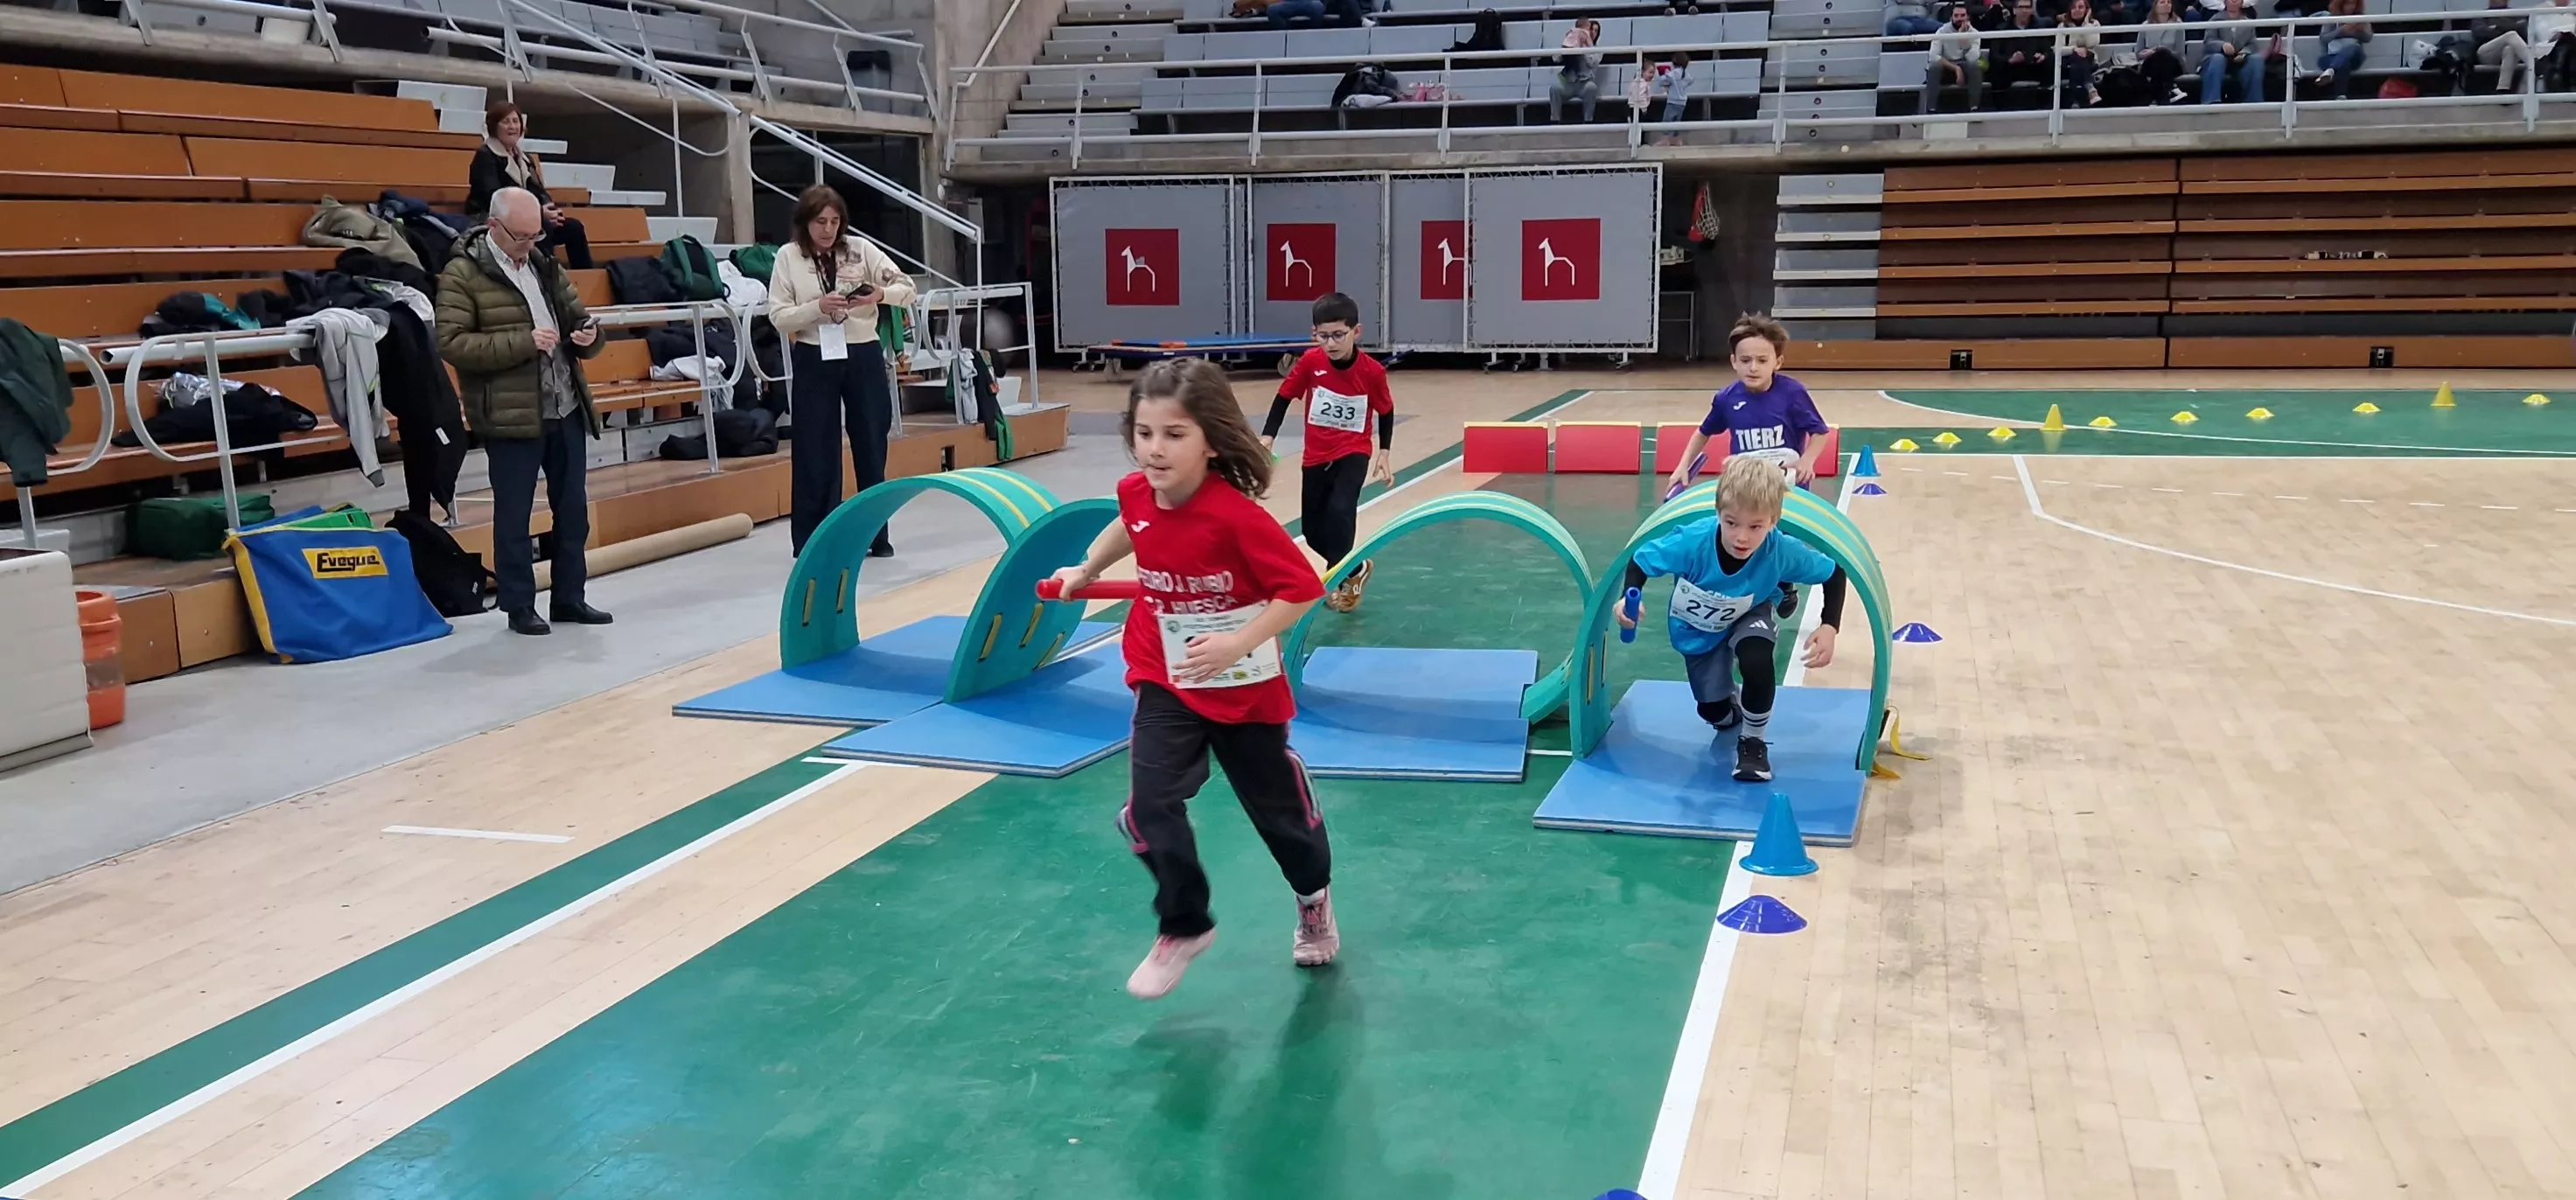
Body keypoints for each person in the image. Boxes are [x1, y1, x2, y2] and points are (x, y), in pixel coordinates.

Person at [1049, 359, 1334, 1001]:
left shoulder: (1235, 517)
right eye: (1144, 432)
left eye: (1174, 434)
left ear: (1209, 440)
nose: (1155, 449)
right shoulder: (1136, 493)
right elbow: (1129, 523)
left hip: (1241, 687)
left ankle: (1313, 898)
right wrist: (1087, 568)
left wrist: (1237, 641)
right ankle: (1184, 925)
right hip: (1166, 676)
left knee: (1282, 824)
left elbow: (1300, 590)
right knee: (1147, 809)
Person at [435, 186, 611, 637]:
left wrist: (590, 337)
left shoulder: (544, 264)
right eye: (522, 236)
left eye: (537, 235)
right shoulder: (462, 273)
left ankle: (570, 597)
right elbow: (451, 344)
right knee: (514, 516)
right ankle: (518, 605)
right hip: (509, 416)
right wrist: (522, 342)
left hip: (566, 406)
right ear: (493, 226)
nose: (531, 243)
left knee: (573, 511)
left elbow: (581, 320)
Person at [1618, 454, 1848, 784]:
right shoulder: (1692, 541)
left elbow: (1834, 573)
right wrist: (1628, 598)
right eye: (1731, 523)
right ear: (1718, 513)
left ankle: (1753, 743)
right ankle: (1731, 707)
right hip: (1699, 625)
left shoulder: (1780, 549)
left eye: (1755, 526)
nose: (1742, 537)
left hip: (1753, 608)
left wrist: (1829, 626)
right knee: (1713, 711)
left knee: (1756, 659)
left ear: (1773, 520)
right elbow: (1641, 560)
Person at [768, 184, 918, 559]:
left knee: (871, 442)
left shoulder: (860, 250)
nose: (828, 229)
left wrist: (879, 295)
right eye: (821, 221)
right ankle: (814, 539)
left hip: (862, 351)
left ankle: (875, 535)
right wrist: (817, 307)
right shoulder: (787, 256)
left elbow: (907, 286)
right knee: (814, 448)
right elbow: (778, 316)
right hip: (814, 353)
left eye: (835, 221)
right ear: (806, 221)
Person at [1659, 315, 1831, 620]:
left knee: (1776, 540)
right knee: (1741, 537)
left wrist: (1807, 460)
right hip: (1745, 487)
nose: (1753, 367)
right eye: (1746, 360)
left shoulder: (1792, 393)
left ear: (1777, 362)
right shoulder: (1727, 398)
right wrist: (1682, 466)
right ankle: (1745, 595)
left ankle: (1784, 585)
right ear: (1733, 362)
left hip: (1785, 486)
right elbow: (1703, 432)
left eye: (1762, 361)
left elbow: (1820, 432)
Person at [1261, 292, 1395, 613]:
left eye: (1338, 335)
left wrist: (1384, 452)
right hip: (1316, 457)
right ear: (1314, 334)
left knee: (1340, 510)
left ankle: (1338, 581)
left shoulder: (1372, 372)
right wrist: (1268, 437)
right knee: (1312, 532)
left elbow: (1386, 410)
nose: (1331, 343)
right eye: (1324, 336)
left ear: (1356, 332)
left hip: (1353, 451)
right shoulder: (1311, 363)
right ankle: (1355, 569)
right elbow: (1283, 397)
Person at [465, 103, 590, 271]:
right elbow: (494, 197)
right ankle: (545, 277)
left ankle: (585, 277)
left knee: (573, 228)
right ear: (494, 126)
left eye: (515, 121)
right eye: (506, 122)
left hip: (529, 217)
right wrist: (539, 213)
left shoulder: (524, 158)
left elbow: (538, 190)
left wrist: (549, 208)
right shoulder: (485, 156)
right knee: (543, 227)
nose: (512, 126)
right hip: (494, 219)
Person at [2201, 0, 2270, 102]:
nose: (2234, 1)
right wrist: (2222, 45)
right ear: (2225, 2)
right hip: (2216, 61)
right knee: (2218, 59)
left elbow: (2252, 44)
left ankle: (2254, 101)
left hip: (2239, 63)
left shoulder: (2248, 22)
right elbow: (2208, 42)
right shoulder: (2214, 20)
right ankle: (2211, 101)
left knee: (2257, 60)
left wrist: (2244, 52)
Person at [2460, 0, 2532, 94]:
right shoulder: (2482, 15)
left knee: (2509, 48)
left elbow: (2523, 29)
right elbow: (2479, 33)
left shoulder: (2515, 14)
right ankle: (2534, 63)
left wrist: (2496, 28)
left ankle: (2503, 89)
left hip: (2508, 53)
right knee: (2511, 35)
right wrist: (2509, 28)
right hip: (2486, 51)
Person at [1925, 3, 1987, 111]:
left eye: (1962, 15)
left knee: (1975, 67)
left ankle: (1974, 109)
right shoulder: (1941, 31)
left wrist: (1963, 40)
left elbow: (1972, 58)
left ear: (1968, 17)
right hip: (1947, 67)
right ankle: (1931, 110)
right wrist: (1956, 69)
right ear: (1951, 18)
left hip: (1966, 68)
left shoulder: (1974, 33)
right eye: (1956, 15)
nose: (1959, 18)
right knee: (1934, 67)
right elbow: (1933, 56)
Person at [2309, 0, 2370, 94]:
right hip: (2331, 55)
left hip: (2354, 57)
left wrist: (2359, 31)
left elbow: (2368, 37)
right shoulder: (2332, 18)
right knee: (2344, 63)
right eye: (2347, 4)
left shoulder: (2361, 17)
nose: (2351, 7)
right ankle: (2341, 96)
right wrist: (2341, 31)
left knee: (2354, 47)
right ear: (2340, 4)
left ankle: (2331, 70)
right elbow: (2324, 39)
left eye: (2353, 4)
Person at [1550, 19, 1603, 122]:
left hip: (1584, 83)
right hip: (1568, 83)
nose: (1593, 33)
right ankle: (1555, 121)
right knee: (1554, 88)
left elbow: (1592, 64)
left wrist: (1584, 47)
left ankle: (1588, 121)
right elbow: (1555, 59)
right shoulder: (1571, 44)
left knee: (1592, 88)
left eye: (1596, 31)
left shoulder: (1598, 50)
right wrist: (1566, 45)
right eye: (1591, 29)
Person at [2057, 0, 2105, 101]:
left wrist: (2086, 22)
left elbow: (2092, 43)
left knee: (2077, 65)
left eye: (2080, 7)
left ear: (2087, 10)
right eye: (2073, 8)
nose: (2077, 10)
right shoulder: (2062, 26)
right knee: (2076, 61)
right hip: (2068, 61)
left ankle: (2073, 101)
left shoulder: (2094, 24)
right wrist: (2075, 49)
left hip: (2089, 60)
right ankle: (2091, 89)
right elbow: (2058, 49)